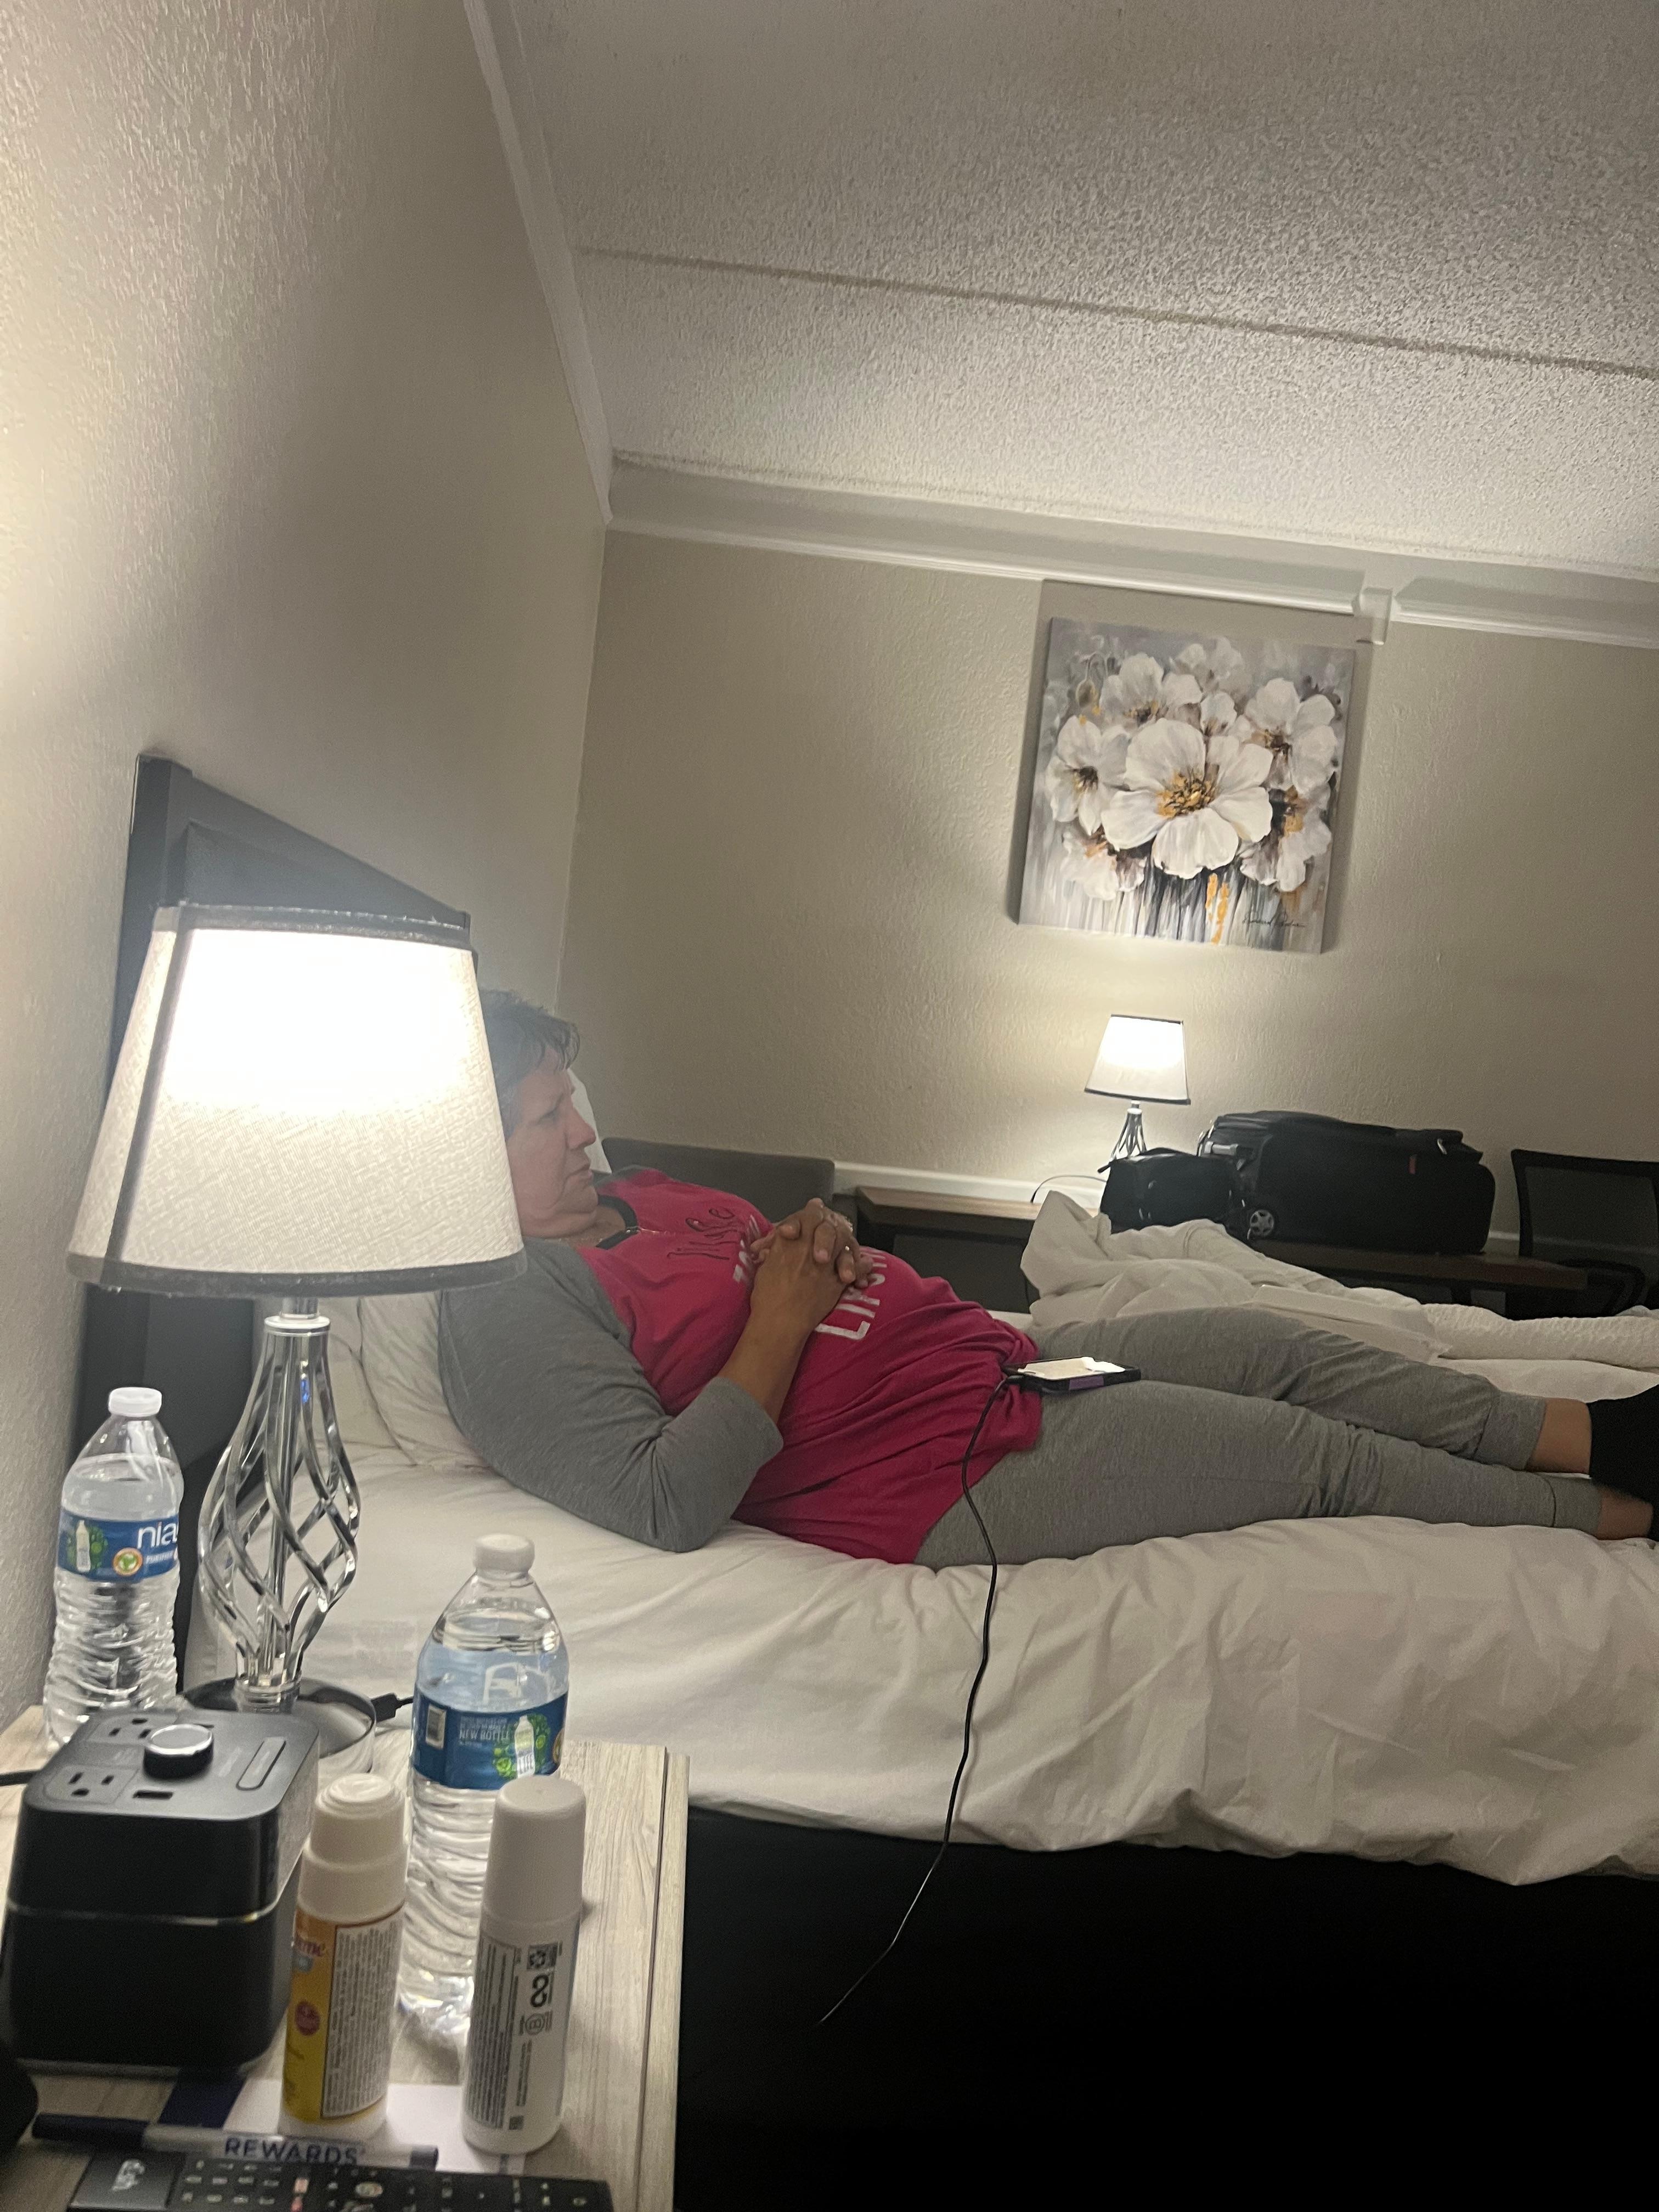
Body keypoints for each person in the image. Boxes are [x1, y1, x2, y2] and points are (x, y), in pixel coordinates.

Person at [439, 994, 1658, 1568]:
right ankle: (1622, 1516)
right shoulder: (503, 1300)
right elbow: (663, 1502)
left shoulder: (640, 1193)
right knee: (1308, 1455)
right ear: (464, 1147)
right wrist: (783, 1315)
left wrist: (823, 1241)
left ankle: (1604, 1434)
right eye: (548, 1119)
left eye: (573, 1106)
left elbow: (788, 1267)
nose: (585, 1135)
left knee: (1276, 1345)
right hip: (944, 1470)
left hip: (1009, 1363)